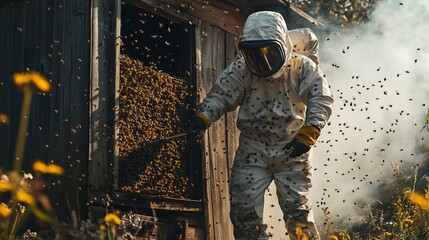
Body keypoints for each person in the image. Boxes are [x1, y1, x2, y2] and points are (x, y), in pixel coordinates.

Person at [188, 11, 333, 240]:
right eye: (254, 54)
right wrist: (204, 116)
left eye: (268, 52)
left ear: (282, 44)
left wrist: (310, 131)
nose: (262, 59)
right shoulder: (241, 69)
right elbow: (221, 96)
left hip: (292, 145)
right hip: (253, 149)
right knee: (244, 212)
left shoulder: (301, 66)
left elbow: (320, 99)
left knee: (297, 212)